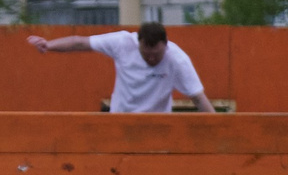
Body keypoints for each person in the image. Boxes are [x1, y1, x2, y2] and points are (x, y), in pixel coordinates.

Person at [27, 20, 218, 114]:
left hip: (157, 124)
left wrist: (222, 130)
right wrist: (49, 45)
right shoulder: (123, 43)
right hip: (120, 120)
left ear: (166, 45)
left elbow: (199, 98)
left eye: (156, 55)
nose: (151, 59)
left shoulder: (177, 59)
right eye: (146, 54)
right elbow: (80, 43)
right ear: (138, 43)